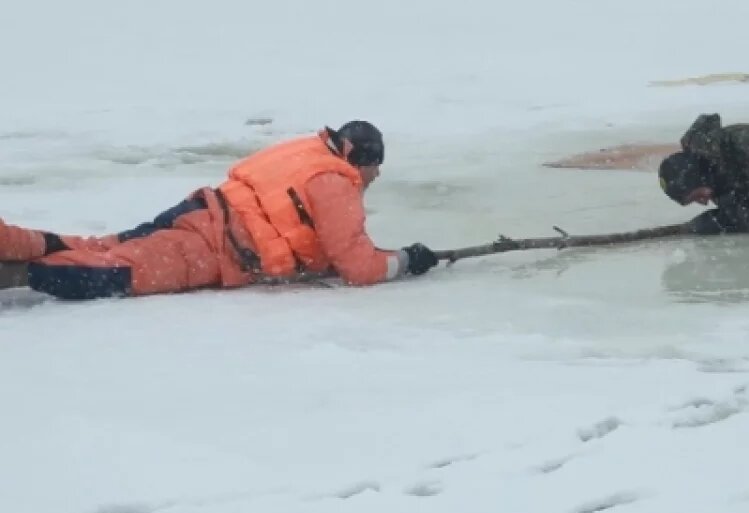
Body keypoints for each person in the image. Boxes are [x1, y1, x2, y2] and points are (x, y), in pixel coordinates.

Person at [0, 121, 439, 300]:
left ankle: (11, 241)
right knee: (115, 271)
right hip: (215, 249)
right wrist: (406, 260)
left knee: (103, 246)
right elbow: (359, 268)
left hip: (199, 210)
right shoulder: (335, 181)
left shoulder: (306, 151)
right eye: (374, 168)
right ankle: (21, 274)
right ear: (359, 160)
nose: (375, 178)